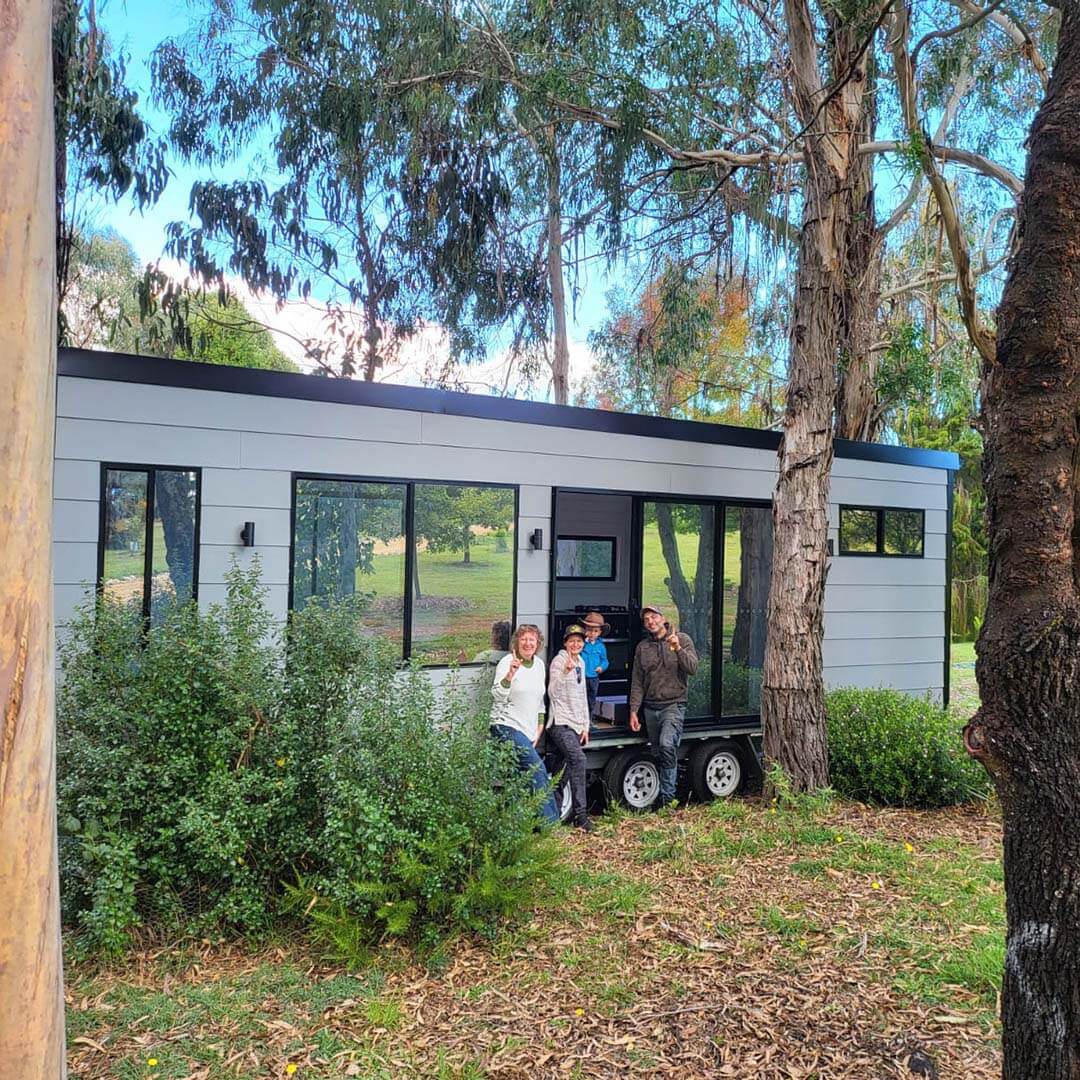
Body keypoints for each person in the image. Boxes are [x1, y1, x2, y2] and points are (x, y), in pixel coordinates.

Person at [628, 605, 699, 808]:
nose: (651, 621)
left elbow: (693, 668)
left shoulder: (681, 639)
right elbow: (637, 681)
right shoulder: (642, 647)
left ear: (663, 618)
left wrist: (677, 649)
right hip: (650, 708)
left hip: (673, 705)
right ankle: (663, 793)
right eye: (647, 619)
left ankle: (668, 800)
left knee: (668, 745)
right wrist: (634, 710)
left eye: (654, 617)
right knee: (658, 752)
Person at [490, 624, 559, 824]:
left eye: (532, 639)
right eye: (524, 639)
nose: (528, 643)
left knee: (519, 780)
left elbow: (539, 702)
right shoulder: (507, 662)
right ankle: (551, 826)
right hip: (505, 726)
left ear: (538, 643)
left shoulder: (539, 665)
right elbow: (497, 695)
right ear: (517, 642)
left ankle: (523, 826)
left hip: (528, 732)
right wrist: (510, 675)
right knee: (536, 770)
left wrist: (538, 728)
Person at [546, 623, 594, 832]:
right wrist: (565, 672)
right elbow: (552, 692)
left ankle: (550, 816)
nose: (576, 644)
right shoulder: (559, 661)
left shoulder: (581, 662)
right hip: (560, 723)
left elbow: (582, 696)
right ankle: (581, 816)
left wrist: (585, 725)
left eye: (579, 641)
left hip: (576, 724)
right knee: (578, 760)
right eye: (572, 641)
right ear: (565, 642)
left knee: (561, 771)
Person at [580, 611, 610, 720]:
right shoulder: (581, 643)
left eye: (595, 631)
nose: (592, 633)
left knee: (591, 699)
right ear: (584, 629)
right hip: (581, 677)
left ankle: (589, 718)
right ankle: (581, 719)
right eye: (589, 630)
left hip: (594, 678)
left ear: (600, 632)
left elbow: (605, 661)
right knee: (580, 699)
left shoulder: (600, 646)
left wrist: (601, 667)